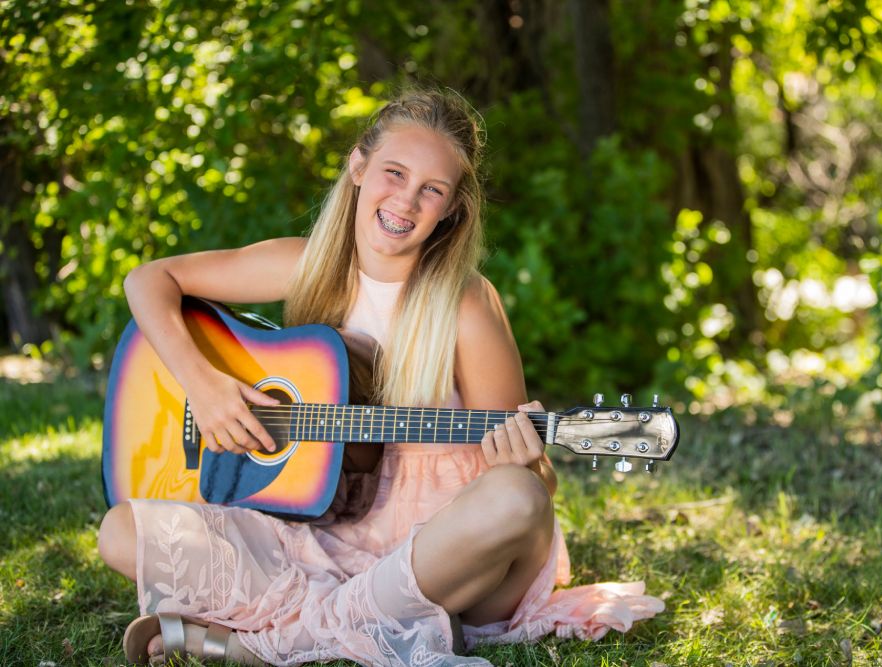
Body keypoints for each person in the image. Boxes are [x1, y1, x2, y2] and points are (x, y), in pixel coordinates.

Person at [98, 89, 663, 666]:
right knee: (121, 531)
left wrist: (526, 463)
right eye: (394, 173)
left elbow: (531, 485)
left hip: (440, 553)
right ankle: (355, 625)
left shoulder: (465, 303)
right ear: (357, 166)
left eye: (432, 190)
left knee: (515, 497)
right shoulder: (307, 263)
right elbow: (149, 279)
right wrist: (205, 384)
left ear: (451, 210)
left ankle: (272, 642)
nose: (407, 201)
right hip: (322, 528)